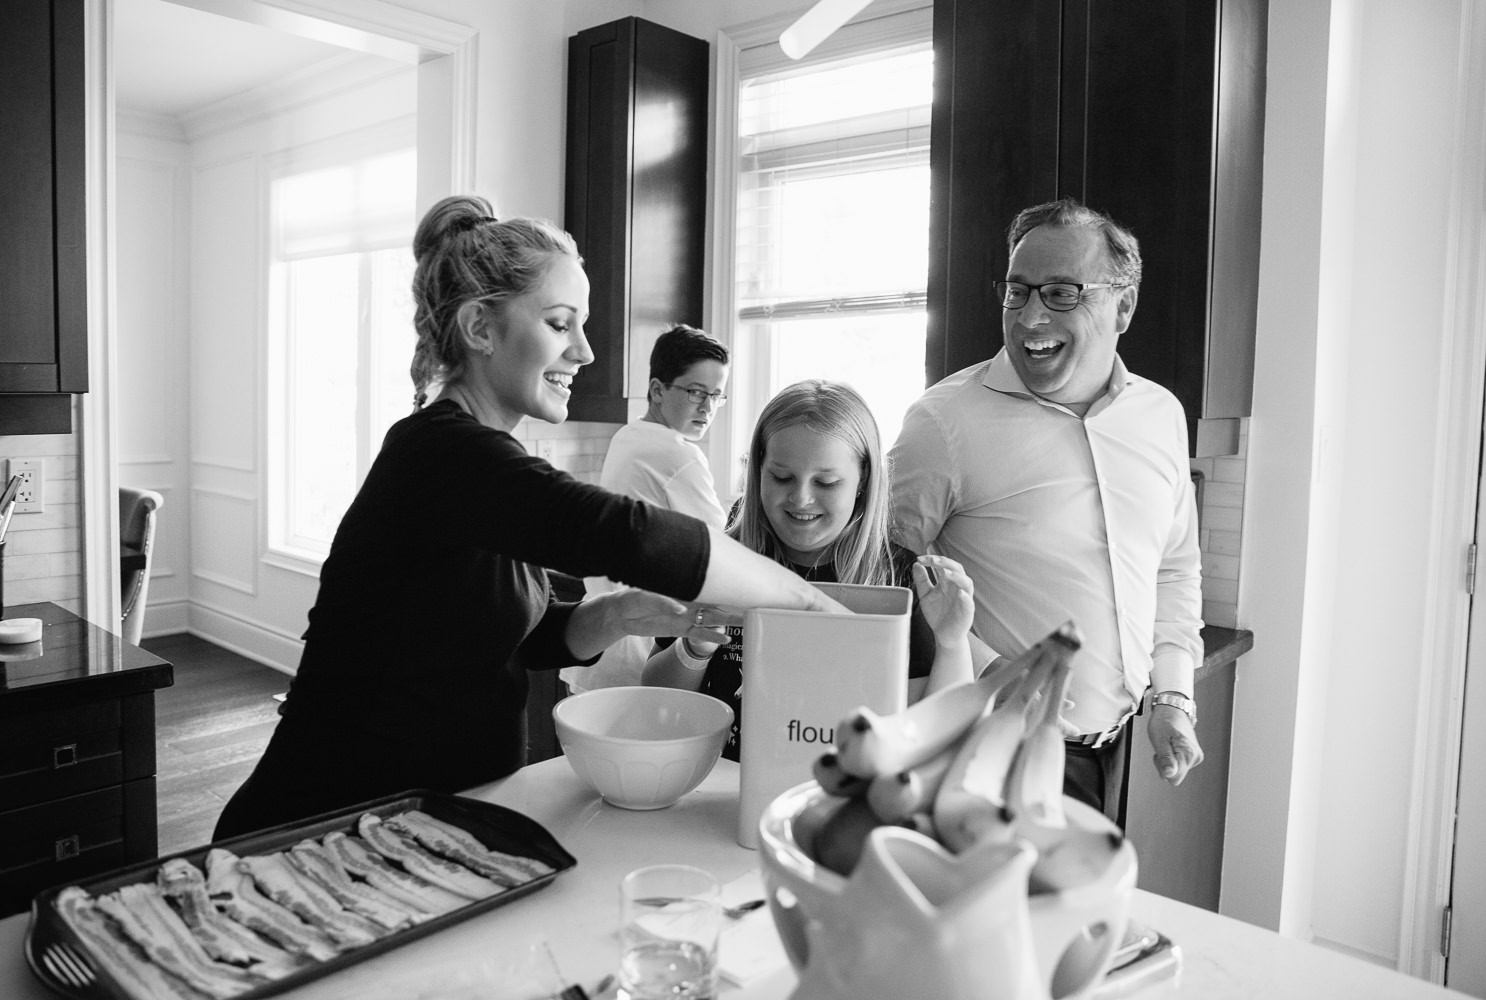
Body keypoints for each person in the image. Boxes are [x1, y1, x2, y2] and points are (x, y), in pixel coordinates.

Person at [214, 196, 841, 838]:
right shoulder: (440, 451)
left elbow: (513, 635)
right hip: (326, 826)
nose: (586, 352)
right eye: (560, 323)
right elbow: (619, 532)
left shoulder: (478, 459)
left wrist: (619, 614)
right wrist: (808, 602)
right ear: (481, 328)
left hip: (423, 818)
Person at [888, 197, 1204, 820]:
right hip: (984, 752)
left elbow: (1173, 570)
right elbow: (885, 571)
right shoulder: (944, 422)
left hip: (1111, 751)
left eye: (1062, 293)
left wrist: (1172, 697)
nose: (1031, 316)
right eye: (1018, 290)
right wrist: (998, 673)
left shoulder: (1161, 415)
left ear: (1124, 306)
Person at [644, 379, 977, 760]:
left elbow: (927, 733)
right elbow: (655, 699)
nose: (801, 498)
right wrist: (695, 647)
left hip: (842, 797)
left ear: (863, 480)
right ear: (758, 471)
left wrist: (952, 642)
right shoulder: (720, 563)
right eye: (782, 477)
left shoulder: (899, 580)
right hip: (722, 788)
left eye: (826, 482)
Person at [560, 324, 730, 694]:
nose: (708, 407)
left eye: (717, 396)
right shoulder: (677, 453)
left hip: (600, 646)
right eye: (696, 392)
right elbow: (724, 549)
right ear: (657, 390)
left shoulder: (629, 435)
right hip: (637, 654)